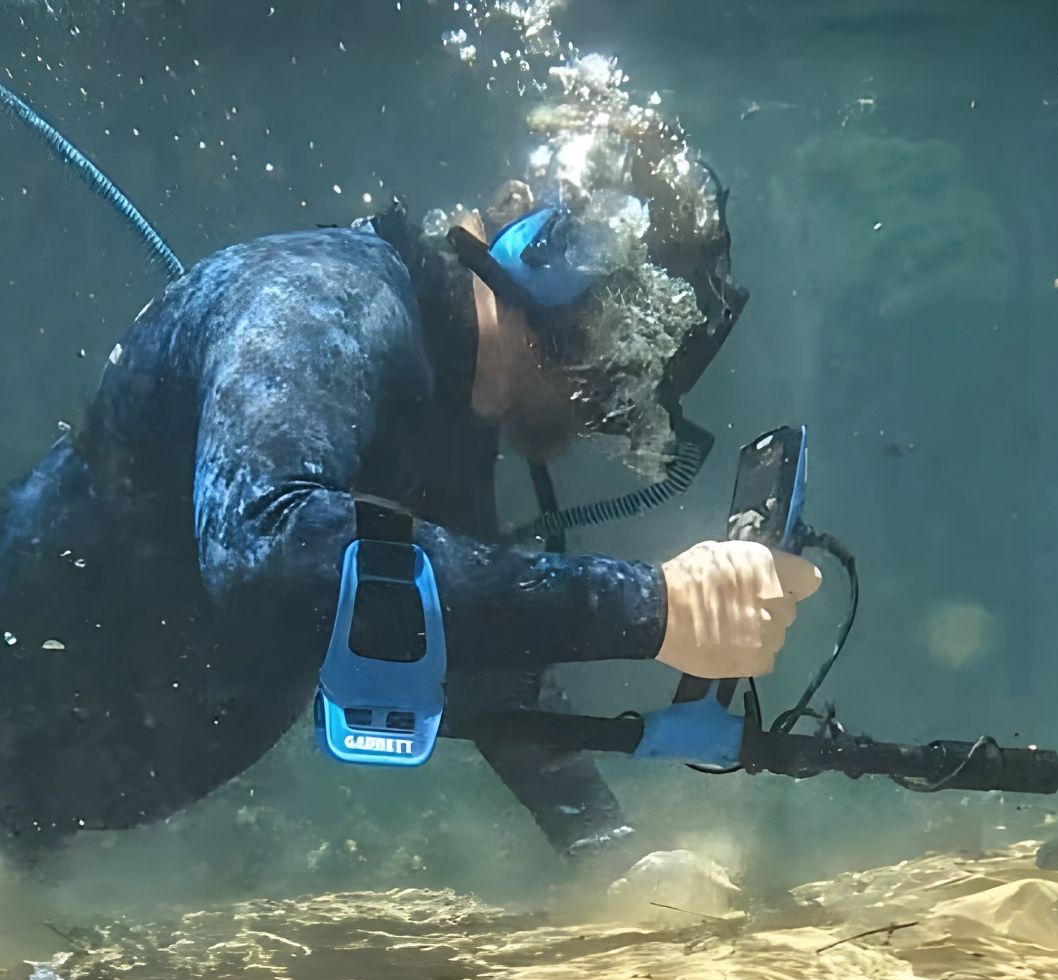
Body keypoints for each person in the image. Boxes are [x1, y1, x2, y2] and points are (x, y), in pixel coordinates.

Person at [0, 100, 820, 866]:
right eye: (619, 364)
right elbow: (267, 549)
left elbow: (478, 655)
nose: (612, 409)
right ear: (561, 277)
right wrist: (655, 607)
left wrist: (607, 853)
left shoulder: (442, 400)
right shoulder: (324, 298)